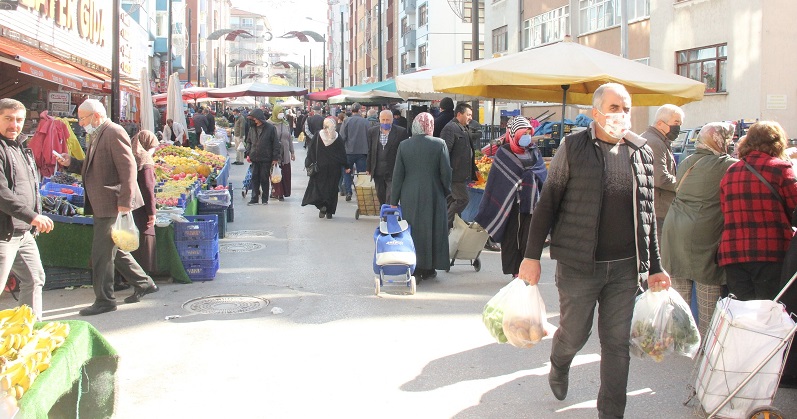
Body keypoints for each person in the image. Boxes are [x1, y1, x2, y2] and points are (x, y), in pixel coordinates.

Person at [517, 83, 671, 418]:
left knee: (617, 345)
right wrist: (530, 257)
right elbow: (547, 204)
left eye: (626, 108)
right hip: (579, 266)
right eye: (615, 107)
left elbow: (648, 215)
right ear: (596, 111)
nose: (621, 115)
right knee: (575, 334)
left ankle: (611, 413)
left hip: (626, 269)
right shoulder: (573, 148)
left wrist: (655, 265)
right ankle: (560, 361)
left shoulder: (641, 151)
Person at [56, 99, 159, 316]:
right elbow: (94, 166)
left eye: (83, 118)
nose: (81, 123)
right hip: (103, 201)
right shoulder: (97, 134)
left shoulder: (113, 131)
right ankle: (144, 283)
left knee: (101, 254)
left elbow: (128, 166)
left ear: (95, 116)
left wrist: (125, 200)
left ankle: (105, 299)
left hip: (111, 202)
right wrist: (72, 163)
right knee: (115, 248)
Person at [660, 122, 737, 338]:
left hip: (675, 229)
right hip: (704, 233)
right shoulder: (727, 165)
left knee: (680, 291)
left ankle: (682, 340)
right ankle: (706, 341)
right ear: (721, 141)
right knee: (707, 290)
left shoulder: (688, 161)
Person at [718, 121, 797, 300]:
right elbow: (795, 208)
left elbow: (725, 210)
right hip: (770, 251)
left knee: (743, 316)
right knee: (769, 313)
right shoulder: (780, 168)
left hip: (733, 253)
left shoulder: (731, 170)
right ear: (777, 142)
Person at [0, 98, 53, 321]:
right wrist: (32, 216)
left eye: (19, 120)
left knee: (34, 278)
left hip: (23, 233)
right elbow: (2, 193)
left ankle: (28, 334)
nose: (14, 125)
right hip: (3, 233)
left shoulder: (21, 146)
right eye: (8, 119)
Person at [474, 117, 547, 277]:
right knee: (512, 238)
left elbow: (542, 174)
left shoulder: (534, 151)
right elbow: (497, 182)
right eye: (523, 133)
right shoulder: (504, 154)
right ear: (514, 134)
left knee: (529, 237)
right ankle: (515, 270)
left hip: (532, 203)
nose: (527, 136)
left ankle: (526, 268)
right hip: (511, 205)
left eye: (529, 132)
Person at [390, 113, 452, 280]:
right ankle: (430, 267)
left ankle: (415, 266)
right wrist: (446, 190)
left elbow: (398, 175)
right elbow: (446, 172)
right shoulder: (439, 144)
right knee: (434, 228)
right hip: (434, 192)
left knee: (413, 230)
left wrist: (393, 201)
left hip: (410, 194)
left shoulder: (404, 145)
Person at [640, 104, 683, 242]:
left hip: (658, 207)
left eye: (680, 124)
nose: (678, 128)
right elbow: (660, 178)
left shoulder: (658, 140)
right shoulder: (655, 142)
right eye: (676, 123)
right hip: (658, 209)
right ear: (660, 123)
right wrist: (683, 184)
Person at [302, 117, 348, 219]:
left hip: (320, 167)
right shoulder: (337, 137)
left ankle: (322, 205)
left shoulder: (318, 135)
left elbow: (311, 150)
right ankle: (330, 211)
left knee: (319, 188)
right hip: (334, 168)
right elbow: (342, 153)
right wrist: (346, 165)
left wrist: (308, 162)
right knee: (332, 189)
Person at [440, 102, 476, 227]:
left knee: (451, 201)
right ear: (459, 114)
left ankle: (449, 228)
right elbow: (444, 152)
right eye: (468, 114)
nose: (471, 117)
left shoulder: (464, 128)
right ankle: (445, 224)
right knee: (462, 199)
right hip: (454, 174)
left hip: (461, 174)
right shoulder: (450, 128)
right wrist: (446, 171)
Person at [129, 130, 159, 274]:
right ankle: (145, 277)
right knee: (145, 238)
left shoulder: (130, 155)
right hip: (141, 207)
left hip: (130, 204)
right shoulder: (145, 160)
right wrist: (152, 212)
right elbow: (148, 188)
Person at [366, 110, 408, 206]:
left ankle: (388, 215)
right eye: (383, 120)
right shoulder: (372, 132)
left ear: (392, 120)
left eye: (388, 120)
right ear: (379, 120)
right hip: (378, 170)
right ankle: (383, 210)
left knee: (391, 194)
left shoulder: (401, 132)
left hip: (393, 169)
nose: (385, 122)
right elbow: (370, 150)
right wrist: (368, 167)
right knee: (380, 194)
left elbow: (405, 152)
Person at [244, 108, 280, 206]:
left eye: (254, 118)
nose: (254, 121)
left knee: (264, 178)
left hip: (266, 157)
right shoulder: (252, 128)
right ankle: (254, 198)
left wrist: (275, 157)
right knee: (254, 178)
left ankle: (265, 199)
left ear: (259, 118)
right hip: (254, 157)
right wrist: (248, 152)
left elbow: (275, 143)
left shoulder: (270, 128)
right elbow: (249, 141)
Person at [339, 102, 370, 202]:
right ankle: (362, 193)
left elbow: (342, 137)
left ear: (351, 111)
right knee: (362, 174)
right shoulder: (365, 122)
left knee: (347, 172)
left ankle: (349, 191)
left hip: (348, 151)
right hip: (362, 151)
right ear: (360, 110)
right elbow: (369, 137)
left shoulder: (346, 121)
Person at [268, 104, 295, 201]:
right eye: (279, 111)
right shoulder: (269, 124)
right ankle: (277, 192)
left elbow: (289, 139)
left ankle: (284, 192)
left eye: (282, 111)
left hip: (285, 153)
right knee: (275, 172)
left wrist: (292, 152)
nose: (281, 113)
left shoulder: (285, 123)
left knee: (285, 172)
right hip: (275, 153)